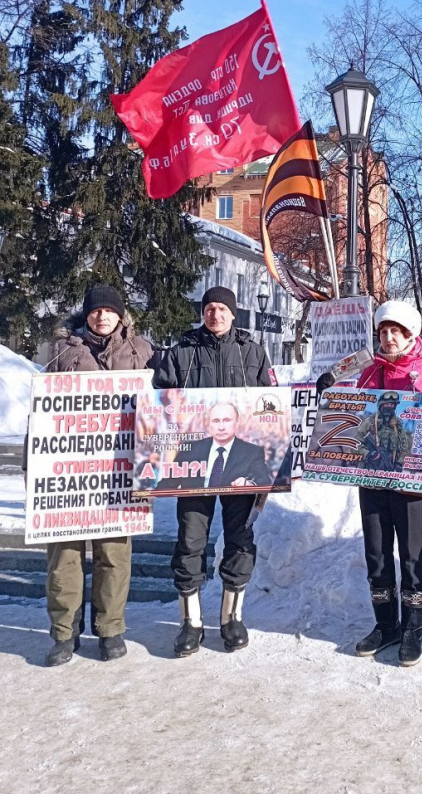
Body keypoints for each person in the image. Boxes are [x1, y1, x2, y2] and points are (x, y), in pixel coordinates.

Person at [316, 300, 422, 667]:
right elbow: (352, 413)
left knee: (413, 556)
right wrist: (332, 391)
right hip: (371, 475)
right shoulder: (368, 369)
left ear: (409, 334)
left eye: (394, 332)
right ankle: (386, 625)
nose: (387, 338)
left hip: (413, 478)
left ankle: (412, 630)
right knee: (377, 553)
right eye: (382, 332)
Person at [150, 287, 273, 657]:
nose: (215, 314)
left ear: (234, 314)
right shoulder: (182, 353)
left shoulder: (252, 352)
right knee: (190, 541)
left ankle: (231, 618)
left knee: (239, 539)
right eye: (209, 308)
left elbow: (271, 406)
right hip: (192, 461)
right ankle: (192, 622)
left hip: (241, 463)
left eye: (222, 309)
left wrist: (271, 465)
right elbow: (158, 404)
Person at [43, 284, 153, 666]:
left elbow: (156, 408)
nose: (102, 316)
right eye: (95, 311)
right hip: (71, 472)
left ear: (120, 315)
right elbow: (41, 414)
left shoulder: (141, 351)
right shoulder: (62, 351)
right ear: (86, 314)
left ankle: (110, 629)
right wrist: (35, 465)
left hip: (120, 472)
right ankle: (63, 632)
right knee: (65, 554)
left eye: (109, 311)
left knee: (114, 554)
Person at [156, 402, 270, 492]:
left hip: (233, 506)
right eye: (216, 421)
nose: (221, 427)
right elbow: (167, 484)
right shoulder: (190, 448)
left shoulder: (252, 452)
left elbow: (264, 480)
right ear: (208, 424)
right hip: (195, 507)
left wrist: (248, 484)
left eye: (227, 420)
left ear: (237, 422)